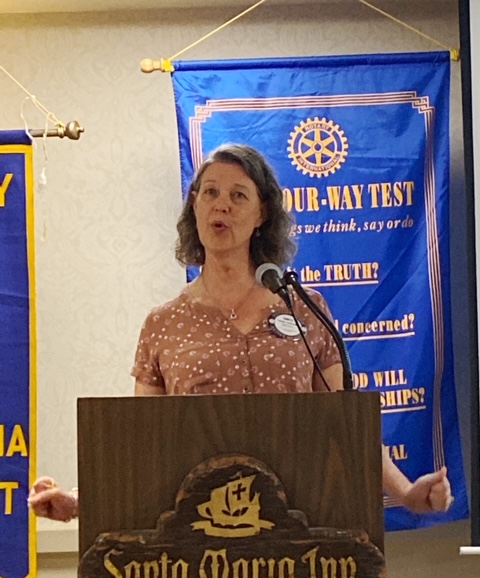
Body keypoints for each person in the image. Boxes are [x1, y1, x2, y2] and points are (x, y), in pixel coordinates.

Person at [29, 143, 453, 522]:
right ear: (194, 205)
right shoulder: (163, 323)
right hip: (196, 530)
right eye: (210, 192)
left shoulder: (304, 308)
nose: (222, 206)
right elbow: (143, 444)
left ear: (262, 213)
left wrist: (406, 493)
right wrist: (80, 500)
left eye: (238, 195)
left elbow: (345, 425)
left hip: (302, 523)